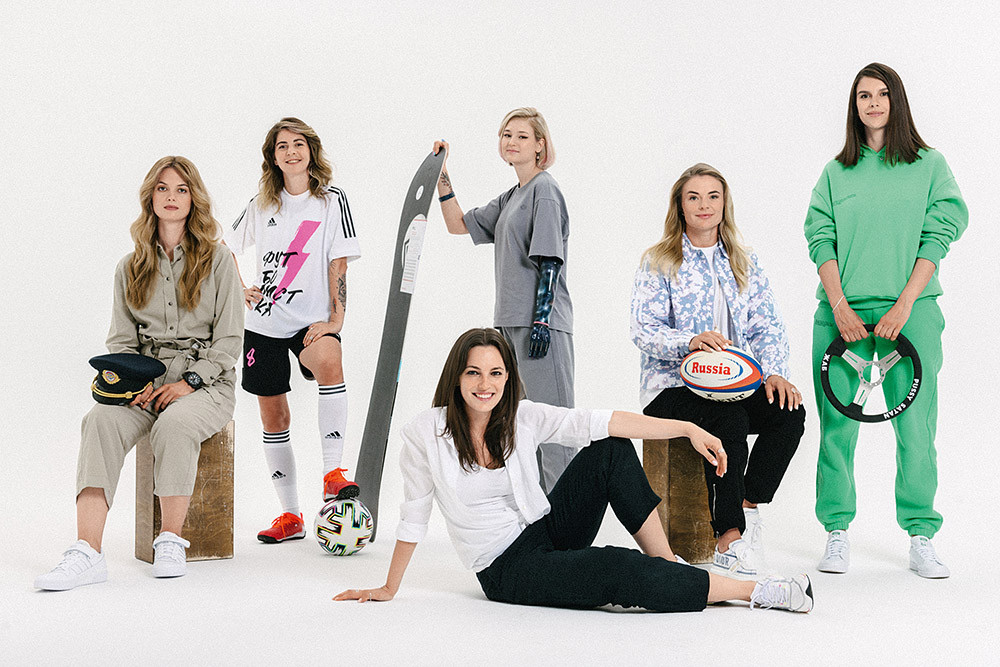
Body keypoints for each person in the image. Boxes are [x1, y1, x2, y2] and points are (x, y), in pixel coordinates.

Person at [334, 328, 813, 613]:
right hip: (506, 568)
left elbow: (599, 421)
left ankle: (668, 564)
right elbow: (414, 514)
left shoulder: (518, 416)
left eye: (496, 373)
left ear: (508, 377)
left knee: (609, 449)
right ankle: (756, 591)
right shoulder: (426, 433)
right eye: (473, 372)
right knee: (615, 568)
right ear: (456, 377)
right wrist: (389, 586)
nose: (485, 385)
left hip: (545, 530)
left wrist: (687, 427)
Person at [35, 156, 243, 590]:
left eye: (181, 189)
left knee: (175, 424)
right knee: (99, 421)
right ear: (151, 197)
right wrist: (134, 386)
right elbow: (121, 342)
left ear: (194, 198)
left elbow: (228, 342)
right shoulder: (129, 267)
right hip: (146, 385)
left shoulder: (219, 260)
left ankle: (170, 540)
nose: (172, 197)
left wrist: (188, 383)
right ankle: (87, 551)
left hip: (207, 384)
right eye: (163, 188)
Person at [805, 63, 968, 578]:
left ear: (896, 100)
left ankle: (921, 534)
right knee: (837, 423)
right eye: (863, 96)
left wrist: (904, 304)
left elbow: (940, 232)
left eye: (881, 94)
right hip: (843, 314)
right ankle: (836, 530)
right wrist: (839, 307)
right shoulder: (836, 173)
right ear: (854, 106)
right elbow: (820, 238)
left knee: (915, 425)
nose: (872, 103)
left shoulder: (929, 165)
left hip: (911, 311)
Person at [630, 163, 805, 579]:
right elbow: (643, 329)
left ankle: (748, 504)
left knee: (789, 413)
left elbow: (766, 326)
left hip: (733, 384)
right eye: (693, 197)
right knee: (731, 420)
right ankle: (729, 538)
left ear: (725, 204)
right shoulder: (659, 260)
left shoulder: (743, 260)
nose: (704, 205)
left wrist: (774, 373)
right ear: (680, 206)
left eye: (713, 196)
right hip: (671, 387)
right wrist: (689, 341)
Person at [226, 117, 362, 543]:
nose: (291, 151)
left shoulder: (331, 200)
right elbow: (223, 245)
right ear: (273, 157)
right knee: (274, 416)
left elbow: (338, 261)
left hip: (309, 323)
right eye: (282, 146)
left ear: (310, 150)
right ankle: (291, 516)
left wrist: (336, 320)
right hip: (264, 324)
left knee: (330, 360)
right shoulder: (261, 204)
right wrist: (240, 289)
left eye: (298, 143)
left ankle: (332, 473)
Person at [432, 108, 575, 494]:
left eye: (522, 136)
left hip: (539, 325)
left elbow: (550, 261)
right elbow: (458, 225)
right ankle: (537, 516)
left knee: (555, 428)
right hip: (510, 324)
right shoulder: (513, 197)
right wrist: (441, 176)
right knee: (522, 428)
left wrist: (541, 320)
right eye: (506, 135)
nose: (511, 142)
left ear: (540, 145)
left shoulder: (545, 190)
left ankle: (568, 519)